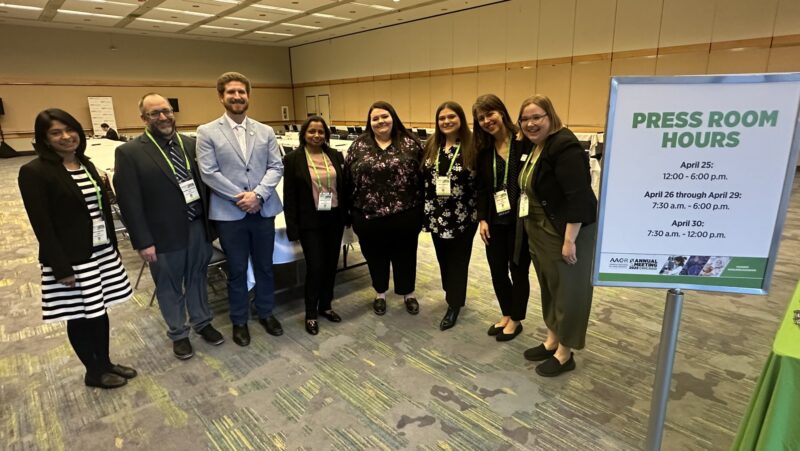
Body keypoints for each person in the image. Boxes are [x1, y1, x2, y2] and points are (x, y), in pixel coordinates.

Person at [18, 108, 136, 389]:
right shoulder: (34, 172)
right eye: (56, 133)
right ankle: (93, 371)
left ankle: (105, 362)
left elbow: (100, 208)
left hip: (100, 252)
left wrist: (112, 244)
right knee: (80, 315)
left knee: (100, 310)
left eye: (69, 129)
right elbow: (42, 225)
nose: (66, 136)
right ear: (44, 139)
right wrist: (61, 267)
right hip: (71, 259)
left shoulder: (85, 163)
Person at [114, 93, 224, 360]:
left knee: (198, 277)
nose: (163, 117)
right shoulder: (130, 152)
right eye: (155, 113)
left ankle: (202, 322)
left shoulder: (191, 144)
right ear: (144, 119)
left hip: (197, 226)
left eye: (166, 111)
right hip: (161, 235)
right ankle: (179, 333)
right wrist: (142, 241)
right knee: (169, 285)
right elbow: (129, 202)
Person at [196, 72, 284, 346]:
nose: (237, 97)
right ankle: (239, 320)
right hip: (230, 214)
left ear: (248, 95)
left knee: (265, 267)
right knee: (235, 269)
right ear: (221, 96)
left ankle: (266, 312)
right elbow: (208, 173)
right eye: (231, 92)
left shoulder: (265, 131)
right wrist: (241, 197)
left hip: (263, 210)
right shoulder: (206, 131)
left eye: (241, 92)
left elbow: (276, 166)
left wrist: (257, 195)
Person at [516, 94, 597, 377]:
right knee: (550, 287)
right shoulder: (535, 146)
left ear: (551, 116)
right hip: (539, 229)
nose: (530, 123)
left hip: (566, 232)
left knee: (569, 292)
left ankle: (565, 352)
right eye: (525, 119)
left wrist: (569, 240)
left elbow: (579, 197)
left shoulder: (565, 146)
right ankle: (552, 339)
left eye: (537, 117)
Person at [344, 101, 424, 316]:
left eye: (384, 116)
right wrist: (349, 212)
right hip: (368, 216)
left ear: (393, 117)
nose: (380, 121)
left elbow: (423, 178)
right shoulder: (358, 146)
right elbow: (348, 180)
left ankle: (408, 293)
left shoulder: (410, 143)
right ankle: (380, 293)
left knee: (406, 255)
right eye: (375, 118)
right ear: (370, 122)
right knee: (375, 256)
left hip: (405, 214)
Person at [473, 94, 532, 342]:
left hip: (521, 221)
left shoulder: (524, 142)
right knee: (497, 270)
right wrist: (482, 219)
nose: (487, 121)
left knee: (518, 270)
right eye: (481, 118)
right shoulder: (484, 150)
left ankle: (516, 319)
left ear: (502, 113)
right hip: (495, 221)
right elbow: (482, 189)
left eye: (490, 114)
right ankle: (506, 313)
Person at [283, 115, 346, 335]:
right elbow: (289, 196)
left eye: (320, 132)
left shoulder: (335, 155)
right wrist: (293, 227)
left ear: (326, 135)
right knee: (315, 267)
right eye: (312, 131)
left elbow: (343, 187)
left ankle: (326, 306)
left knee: (331, 266)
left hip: (334, 218)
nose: (316, 135)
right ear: (304, 134)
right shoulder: (293, 159)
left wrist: (346, 216)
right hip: (310, 221)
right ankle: (311, 313)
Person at [422, 101, 478, 331]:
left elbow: (480, 184)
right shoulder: (431, 145)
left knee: (458, 262)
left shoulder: (472, 147)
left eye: (451, 117)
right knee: (443, 260)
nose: (446, 121)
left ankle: (454, 304)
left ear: (461, 119)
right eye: (442, 118)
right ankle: (451, 293)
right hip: (436, 216)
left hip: (463, 216)